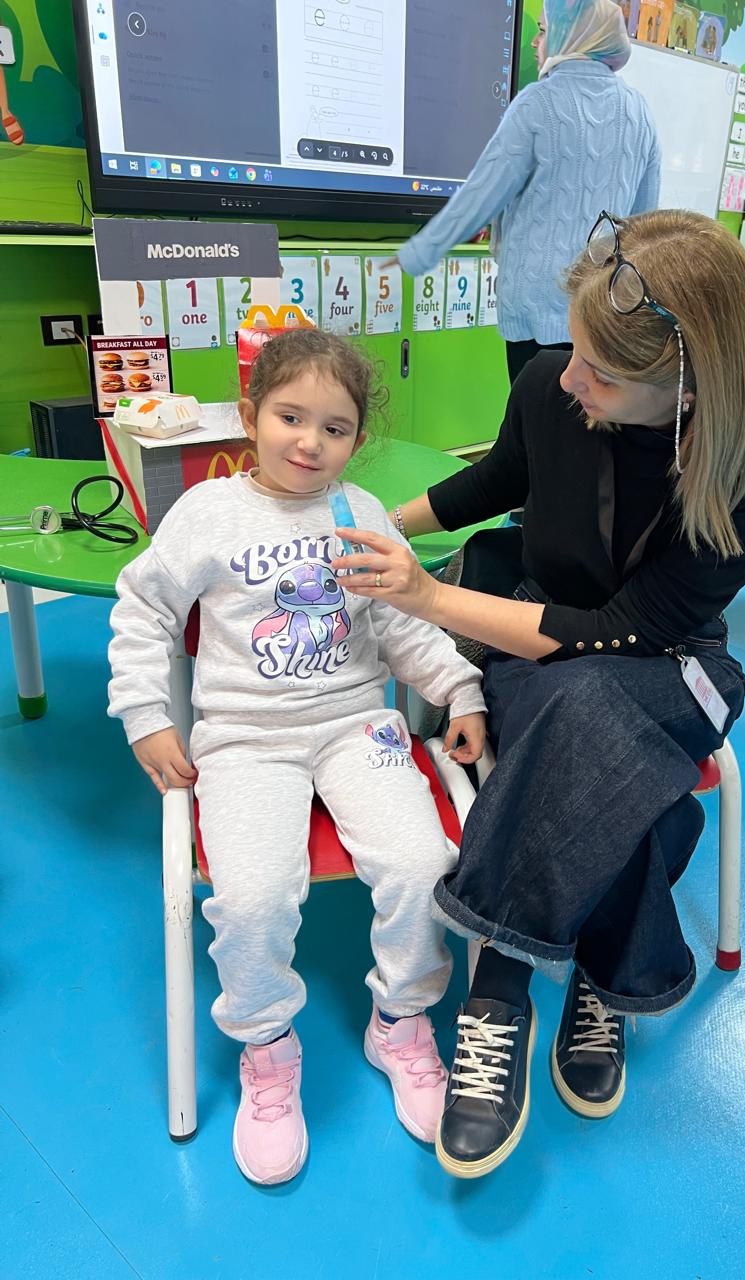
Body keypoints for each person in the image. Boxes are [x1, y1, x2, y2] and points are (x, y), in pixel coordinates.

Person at [331, 209, 745, 1178]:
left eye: (602, 373)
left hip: (671, 663)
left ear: (689, 389)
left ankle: (496, 995)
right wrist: (365, 522)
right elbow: (497, 481)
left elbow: (624, 630)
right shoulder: (551, 382)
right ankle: (605, 971)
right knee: (625, 771)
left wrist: (428, 596)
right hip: (540, 643)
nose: (570, 379)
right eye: (574, 351)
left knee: (581, 705)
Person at [107, 329, 487, 1185]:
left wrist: (460, 689)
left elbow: (400, 624)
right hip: (243, 741)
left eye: (335, 427)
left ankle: (401, 1022)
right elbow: (144, 611)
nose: (310, 442)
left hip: (355, 726)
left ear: (358, 439)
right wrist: (145, 714)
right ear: (250, 418)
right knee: (250, 895)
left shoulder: (361, 514)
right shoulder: (208, 512)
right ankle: (267, 1046)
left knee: (423, 861)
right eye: (290, 417)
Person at [391, 0, 660, 384]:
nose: (536, 41)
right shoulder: (640, 111)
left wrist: (421, 251)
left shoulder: (539, 103)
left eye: (545, 30)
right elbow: (644, 223)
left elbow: (481, 195)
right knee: (586, 412)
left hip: (536, 308)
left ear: (574, 35)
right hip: (604, 308)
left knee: (533, 410)